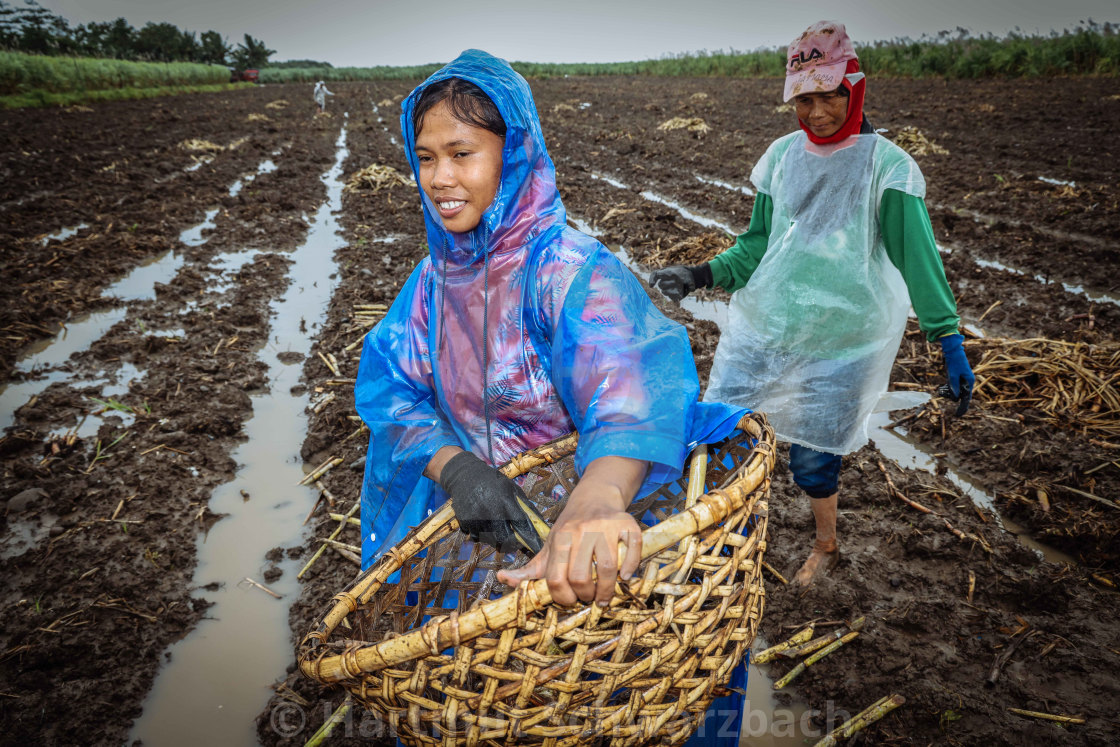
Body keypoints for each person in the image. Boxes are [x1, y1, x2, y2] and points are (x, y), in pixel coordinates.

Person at [354, 49, 749, 744]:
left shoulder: (566, 272)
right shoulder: (430, 285)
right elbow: (393, 391)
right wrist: (459, 469)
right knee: (515, 699)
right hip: (501, 530)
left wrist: (594, 505)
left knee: (621, 696)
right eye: (425, 157)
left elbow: (631, 393)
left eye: (462, 153)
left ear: (514, 156)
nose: (441, 178)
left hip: (599, 532)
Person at [650, 20, 975, 587]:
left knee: (813, 459)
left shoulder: (888, 167)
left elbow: (918, 260)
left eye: (829, 94)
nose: (817, 110)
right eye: (804, 98)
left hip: (845, 341)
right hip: (768, 325)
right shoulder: (781, 157)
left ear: (855, 87)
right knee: (721, 431)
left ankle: (826, 545)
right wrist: (702, 272)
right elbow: (758, 245)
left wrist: (948, 339)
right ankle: (715, 537)